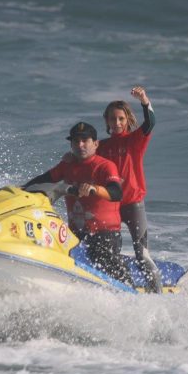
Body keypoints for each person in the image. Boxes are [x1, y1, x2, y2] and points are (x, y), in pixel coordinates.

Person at [24, 122, 134, 287]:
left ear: (95, 144)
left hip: (105, 233)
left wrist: (94, 189)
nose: (80, 145)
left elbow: (116, 193)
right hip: (76, 233)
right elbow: (44, 179)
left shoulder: (105, 166)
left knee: (100, 259)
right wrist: (22, 189)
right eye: (76, 141)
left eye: (85, 140)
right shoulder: (67, 165)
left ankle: (130, 291)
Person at [97, 86, 162, 293]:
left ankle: (157, 294)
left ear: (127, 120)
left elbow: (150, 123)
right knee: (108, 254)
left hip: (133, 204)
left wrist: (144, 100)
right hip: (110, 207)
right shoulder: (101, 146)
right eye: (112, 119)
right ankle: (122, 289)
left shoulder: (135, 141)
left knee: (142, 254)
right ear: (106, 121)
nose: (116, 123)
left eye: (121, 119)